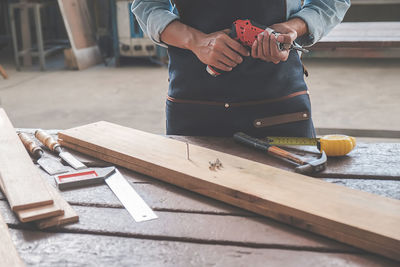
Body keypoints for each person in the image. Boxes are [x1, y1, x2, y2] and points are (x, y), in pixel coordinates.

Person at [132, 0, 350, 137]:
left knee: (294, 194)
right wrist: (196, 41)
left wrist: (291, 28)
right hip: (195, 106)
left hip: (279, 105)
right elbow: (147, 6)